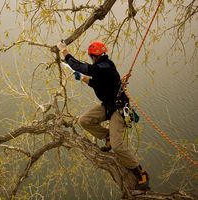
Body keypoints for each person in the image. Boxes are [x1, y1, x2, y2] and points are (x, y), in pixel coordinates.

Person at [57, 41, 149, 190]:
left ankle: (139, 171)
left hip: (119, 109)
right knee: (84, 120)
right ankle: (107, 137)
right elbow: (96, 83)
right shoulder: (102, 68)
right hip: (108, 106)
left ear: (94, 56)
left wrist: (64, 51)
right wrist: (81, 77)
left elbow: (78, 65)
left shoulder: (104, 67)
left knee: (118, 145)